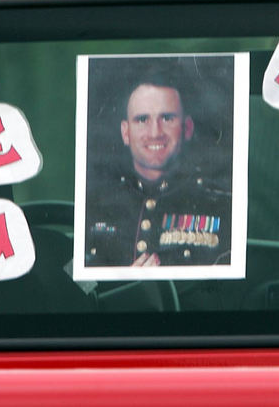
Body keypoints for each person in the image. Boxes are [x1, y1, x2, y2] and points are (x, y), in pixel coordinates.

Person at [84, 62, 232, 268]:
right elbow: (75, 285)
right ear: (125, 133)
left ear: (187, 128)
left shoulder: (221, 205)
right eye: (142, 119)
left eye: (167, 118)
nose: (155, 133)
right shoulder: (94, 205)